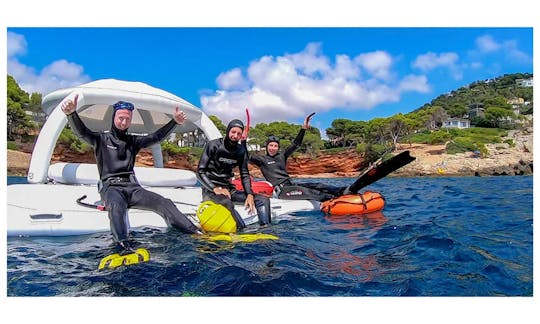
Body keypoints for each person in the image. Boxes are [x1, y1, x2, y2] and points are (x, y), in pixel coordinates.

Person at [61, 94, 201, 251]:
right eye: (121, 118)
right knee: (116, 207)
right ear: (114, 117)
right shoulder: (101, 139)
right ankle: (122, 245)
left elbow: (155, 137)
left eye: (127, 119)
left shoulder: (133, 141)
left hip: (133, 188)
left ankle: (195, 232)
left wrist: (174, 122)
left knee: (164, 202)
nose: (124, 122)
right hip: (111, 188)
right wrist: (71, 114)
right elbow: (82, 132)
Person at [249, 113, 351, 202]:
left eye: (275, 146)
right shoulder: (261, 160)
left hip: (291, 185)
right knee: (312, 192)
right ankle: (338, 200)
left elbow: (296, 144)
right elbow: (245, 155)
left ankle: (344, 190)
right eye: (271, 145)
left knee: (318, 185)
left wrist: (303, 129)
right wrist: (243, 140)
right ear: (267, 146)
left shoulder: (282, 155)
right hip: (282, 191)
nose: (273, 148)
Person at [197, 119, 271, 229]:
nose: (235, 136)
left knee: (263, 199)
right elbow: (200, 172)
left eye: (239, 134)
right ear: (228, 131)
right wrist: (215, 188)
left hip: (229, 189)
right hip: (211, 190)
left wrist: (249, 194)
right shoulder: (213, 145)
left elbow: (244, 174)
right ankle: (243, 231)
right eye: (233, 132)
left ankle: (266, 229)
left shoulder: (241, 151)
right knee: (227, 202)